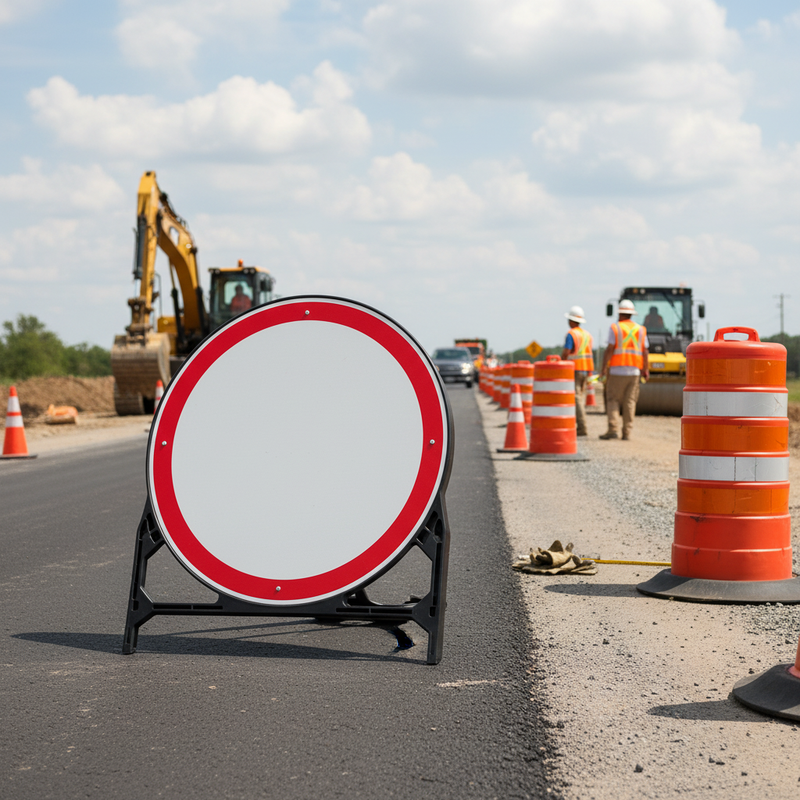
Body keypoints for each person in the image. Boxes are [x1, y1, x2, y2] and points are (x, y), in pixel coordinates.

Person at [599, 299, 649, 440]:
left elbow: (610, 349)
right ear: (632, 314)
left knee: (613, 400)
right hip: (634, 371)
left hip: (616, 371)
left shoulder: (615, 328)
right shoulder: (641, 329)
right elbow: (645, 352)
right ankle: (627, 432)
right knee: (630, 402)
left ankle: (613, 430)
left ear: (620, 313)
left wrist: (603, 368)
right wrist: (646, 370)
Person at [560, 305, 594, 437]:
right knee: (579, 397)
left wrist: (562, 364)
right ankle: (579, 424)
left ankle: (582, 426)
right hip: (586, 369)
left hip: (575, 368)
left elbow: (566, 352)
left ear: (572, 321)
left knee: (576, 398)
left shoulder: (571, 334)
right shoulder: (587, 335)